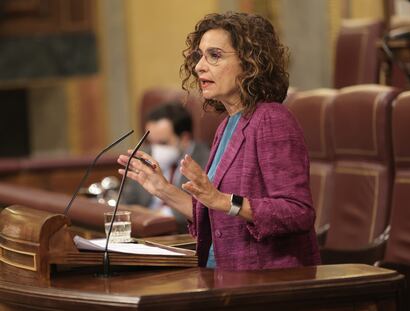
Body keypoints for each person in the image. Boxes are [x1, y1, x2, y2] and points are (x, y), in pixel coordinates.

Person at [118, 12, 320, 270]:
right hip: (222, 274)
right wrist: (162, 189)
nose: (199, 66)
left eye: (214, 55)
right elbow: (213, 214)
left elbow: (298, 212)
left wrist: (224, 201)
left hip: (266, 281)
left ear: (250, 63)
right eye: (199, 56)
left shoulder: (272, 119)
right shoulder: (227, 125)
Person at [121, 102, 210, 233]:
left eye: (163, 143)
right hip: (143, 232)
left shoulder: (207, 160)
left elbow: (198, 213)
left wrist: (151, 215)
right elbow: (125, 204)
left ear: (185, 138)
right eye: (150, 142)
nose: (155, 149)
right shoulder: (144, 156)